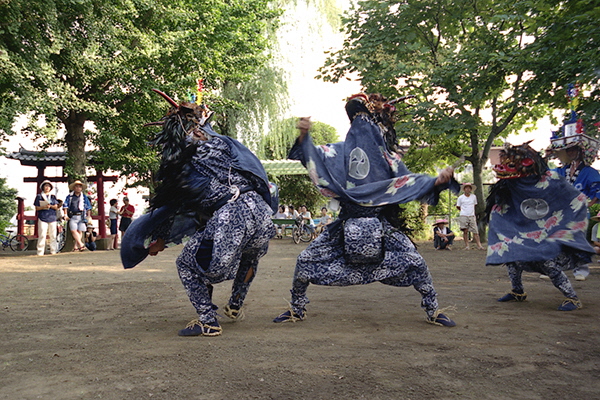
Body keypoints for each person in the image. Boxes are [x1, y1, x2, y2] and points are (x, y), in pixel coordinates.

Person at [273, 93, 458, 327]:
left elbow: (408, 181)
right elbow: (313, 155)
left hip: (380, 225)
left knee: (417, 262)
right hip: (344, 223)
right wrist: (304, 136)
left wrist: (437, 180)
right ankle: (297, 309)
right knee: (304, 260)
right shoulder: (339, 152)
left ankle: (433, 310)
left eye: (366, 118)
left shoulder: (388, 159)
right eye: (355, 118)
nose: (361, 124)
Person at [120, 89, 276, 337]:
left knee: (187, 264)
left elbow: (176, 201)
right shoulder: (225, 143)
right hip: (261, 213)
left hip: (232, 215)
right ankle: (234, 305)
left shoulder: (185, 155)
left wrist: (158, 237)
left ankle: (208, 321)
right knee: (248, 255)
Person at [486, 142, 594, 312]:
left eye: (511, 165)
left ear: (528, 165)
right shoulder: (510, 185)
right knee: (511, 255)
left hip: (549, 234)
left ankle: (572, 297)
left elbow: (574, 200)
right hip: (525, 232)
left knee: (547, 261)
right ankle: (518, 291)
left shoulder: (550, 181)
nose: (502, 168)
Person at [550, 143, 600, 280]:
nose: (571, 152)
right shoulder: (562, 170)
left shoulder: (589, 171)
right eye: (568, 150)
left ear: (581, 151)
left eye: (574, 149)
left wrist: (591, 203)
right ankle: (556, 269)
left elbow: (598, 188)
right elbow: (545, 174)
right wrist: (547, 156)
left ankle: (581, 271)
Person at [63, 180, 92, 252]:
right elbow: (65, 206)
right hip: (73, 216)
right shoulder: (70, 197)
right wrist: (65, 214)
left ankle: (76, 246)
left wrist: (88, 216)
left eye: (80, 187)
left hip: (82, 216)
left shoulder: (84, 197)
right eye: (76, 187)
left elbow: (88, 207)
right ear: (74, 188)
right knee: (73, 230)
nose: (78, 188)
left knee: (80, 231)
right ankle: (81, 244)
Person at [34, 180, 59, 256]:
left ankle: (53, 250)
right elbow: (37, 208)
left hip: (52, 217)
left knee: (53, 235)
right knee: (42, 235)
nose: (47, 187)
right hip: (42, 217)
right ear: (43, 187)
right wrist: (44, 207)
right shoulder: (39, 196)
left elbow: (56, 206)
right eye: (45, 186)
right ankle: (40, 251)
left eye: (48, 186)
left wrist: (50, 206)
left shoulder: (53, 196)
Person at [456, 183, 484, 250]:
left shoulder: (473, 197)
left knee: (475, 231)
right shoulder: (460, 198)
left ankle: (479, 245)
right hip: (463, 215)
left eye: (469, 188)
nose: (468, 189)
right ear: (464, 189)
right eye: (466, 188)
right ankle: (467, 245)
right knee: (465, 231)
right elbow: (458, 206)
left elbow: (474, 205)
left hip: (471, 215)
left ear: (471, 189)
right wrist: (463, 211)